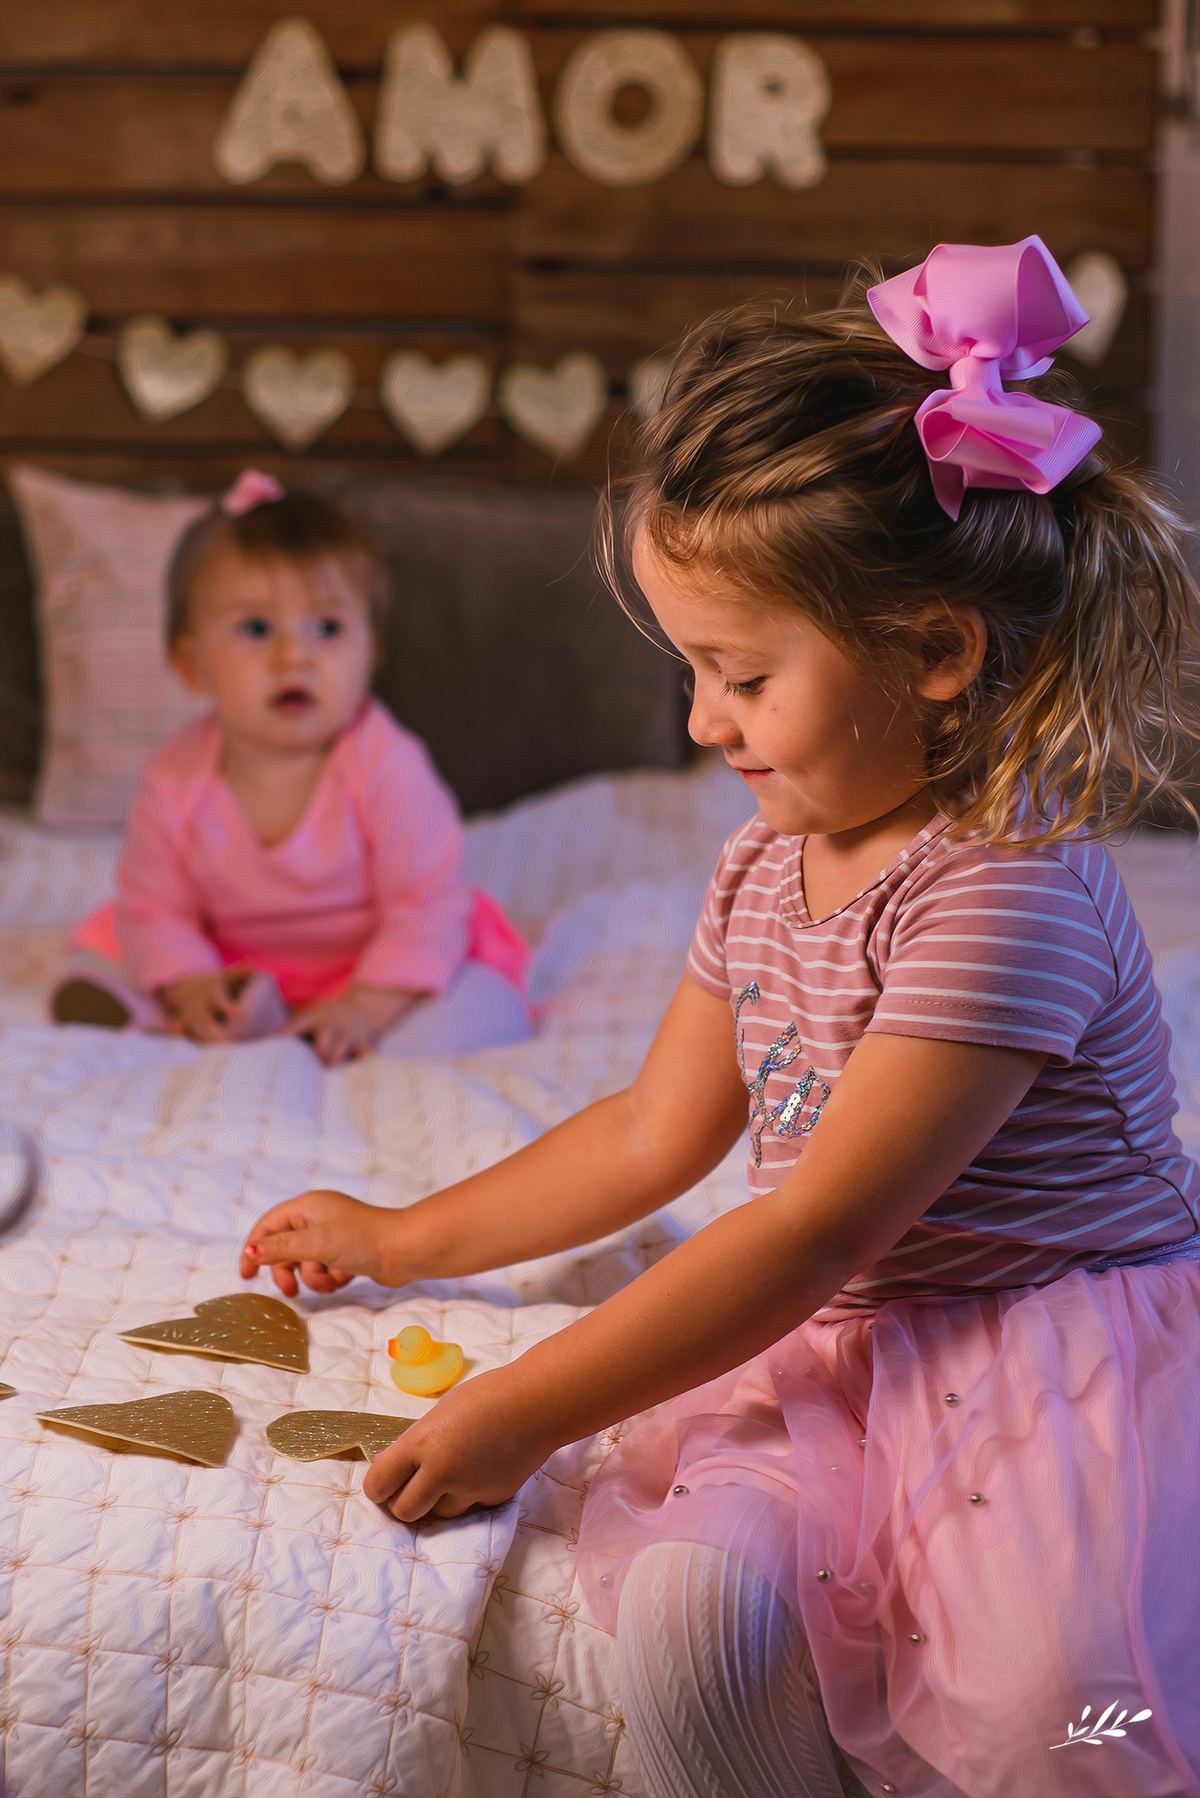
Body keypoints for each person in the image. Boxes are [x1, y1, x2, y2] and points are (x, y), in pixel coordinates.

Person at [237, 238, 1200, 1796]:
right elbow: (650, 1131)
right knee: (691, 1618)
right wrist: (399, 1232)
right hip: (848, 1346)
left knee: (1064, 1708)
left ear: (938, 653)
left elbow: (811, 1227)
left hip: (1043, 1352)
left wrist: (523, 1412)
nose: (702, 722)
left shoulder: (1007, 894)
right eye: (693, 669)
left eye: (741, 674)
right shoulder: (764, 861)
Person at [52, 470, 529, 1067]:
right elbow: (159, 908)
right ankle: (201, 1012)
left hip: (373, 963)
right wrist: (193, 984)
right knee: (117, 937)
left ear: (370, 652)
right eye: (256, 629)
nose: (293, 657)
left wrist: (365, 1005)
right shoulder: (175, 781)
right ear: (191, 663)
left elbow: (424, 904)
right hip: (234, 961)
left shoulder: (386, 766)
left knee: (482, 1006)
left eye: (327, 628)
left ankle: (345, 1035)